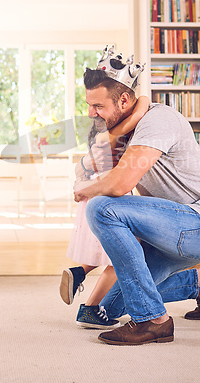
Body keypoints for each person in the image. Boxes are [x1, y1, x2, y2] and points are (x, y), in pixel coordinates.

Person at [73, 46, 200, 346]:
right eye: (89, 105)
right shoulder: (121, 131)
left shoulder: (159, 120)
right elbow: (94, 171)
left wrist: (85, 190)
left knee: (100, 208)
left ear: (123, 99)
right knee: (111, 308)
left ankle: (154, 322)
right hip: (167, 232)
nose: (91, 113)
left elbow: (119, 186)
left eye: (98, 106)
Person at [60, 94, 150, 330]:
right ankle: (90, 308)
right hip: (108, 199)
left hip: (92, 199)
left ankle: (79, 272)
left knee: (106, 253)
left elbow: (81, 172)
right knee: (121, 259)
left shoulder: (94, 148)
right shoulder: (107, 140)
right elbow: (140, 112)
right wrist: (142, 98)